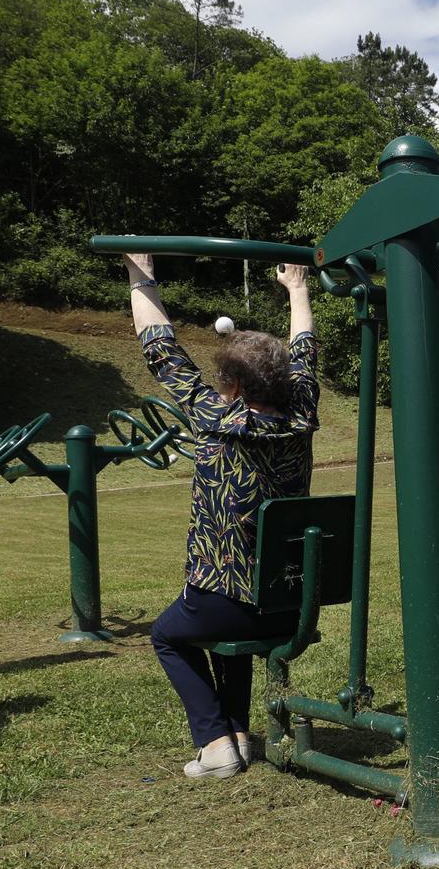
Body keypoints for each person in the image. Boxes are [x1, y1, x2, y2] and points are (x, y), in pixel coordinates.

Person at [123, 253, 319, 780]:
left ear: (230, 386)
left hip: (222, 599)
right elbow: (305, 350)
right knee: (222, 631)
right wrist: (297, 288)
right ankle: (236, 734)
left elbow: (161, 350)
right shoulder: (304, 412)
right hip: (286, 602)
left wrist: (141, 276)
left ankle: (214, 744)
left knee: (165, 636)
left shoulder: (215, 416)